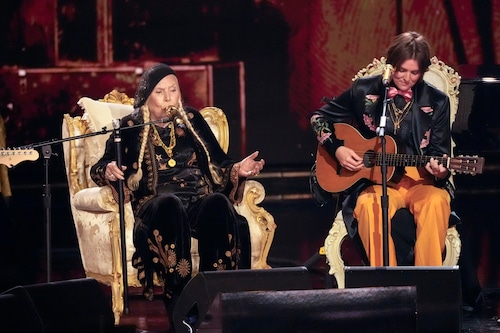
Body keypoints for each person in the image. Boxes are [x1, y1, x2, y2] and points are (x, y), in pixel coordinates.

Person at [90, 63, 265, 324]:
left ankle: (215, 299)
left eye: (173, 90)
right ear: (147, 95)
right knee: (171, 206)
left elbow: (219, 161)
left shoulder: (191, 120)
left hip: (195, 200)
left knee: (217, 203)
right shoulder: (129, 127)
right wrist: (109, 171)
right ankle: (181, 304)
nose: (169, 97)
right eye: (161, 92)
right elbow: (99, 167)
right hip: (156, 204)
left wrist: (239, 168)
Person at [310, 31, 453, 267]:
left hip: (421, 182)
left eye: (414, 72)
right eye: (401, 70)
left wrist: (440, 170)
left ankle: (427, 286)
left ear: (423, 72)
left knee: (437, 202)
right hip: (376, 182)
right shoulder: (364, 91)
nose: (406, 78)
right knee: (369, 205)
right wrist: (337, 149)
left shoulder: (437, 101)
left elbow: (440, 152)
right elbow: (318, 116)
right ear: (391, 65)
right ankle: (388, 287)